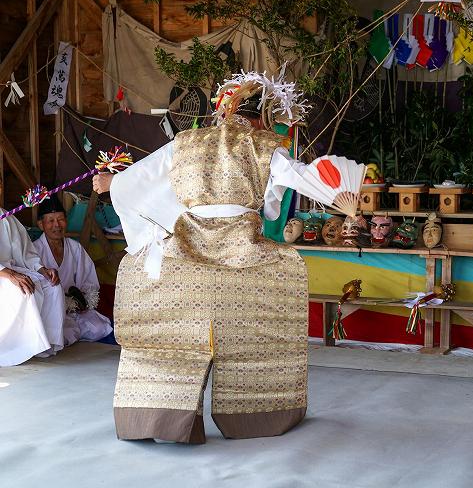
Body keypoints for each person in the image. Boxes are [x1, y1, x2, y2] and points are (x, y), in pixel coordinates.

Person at [92, 70, 311, 444]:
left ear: (219, 112)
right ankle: (260, 415)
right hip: (244, 257)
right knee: (265, 322)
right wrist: (345, 192)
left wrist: (113, 183)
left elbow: (143, 177)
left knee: (170, 336)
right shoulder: (265, 146)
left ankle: (158, 419)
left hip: (186, 255)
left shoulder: (187, 141)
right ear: (262, 118)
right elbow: (294, 189)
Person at [33, 196, 113, 345]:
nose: (57, 225)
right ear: (41, 224)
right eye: (50, 220)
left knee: (100, 327)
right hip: (50, 312)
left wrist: (81, 301)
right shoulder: (34, 251)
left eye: (61, 219)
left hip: (75, 310)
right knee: (58, 335)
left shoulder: (74, 247)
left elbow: (88, 279)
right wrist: (61, 303)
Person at [0, 202, 65, 366]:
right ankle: (17, 348)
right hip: (3, 272)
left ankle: (45, 344)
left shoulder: (5, 216)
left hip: (10, 269)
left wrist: (42, 269)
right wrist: (9, 274)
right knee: (22, 289)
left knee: (52, 286)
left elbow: (25, 251)